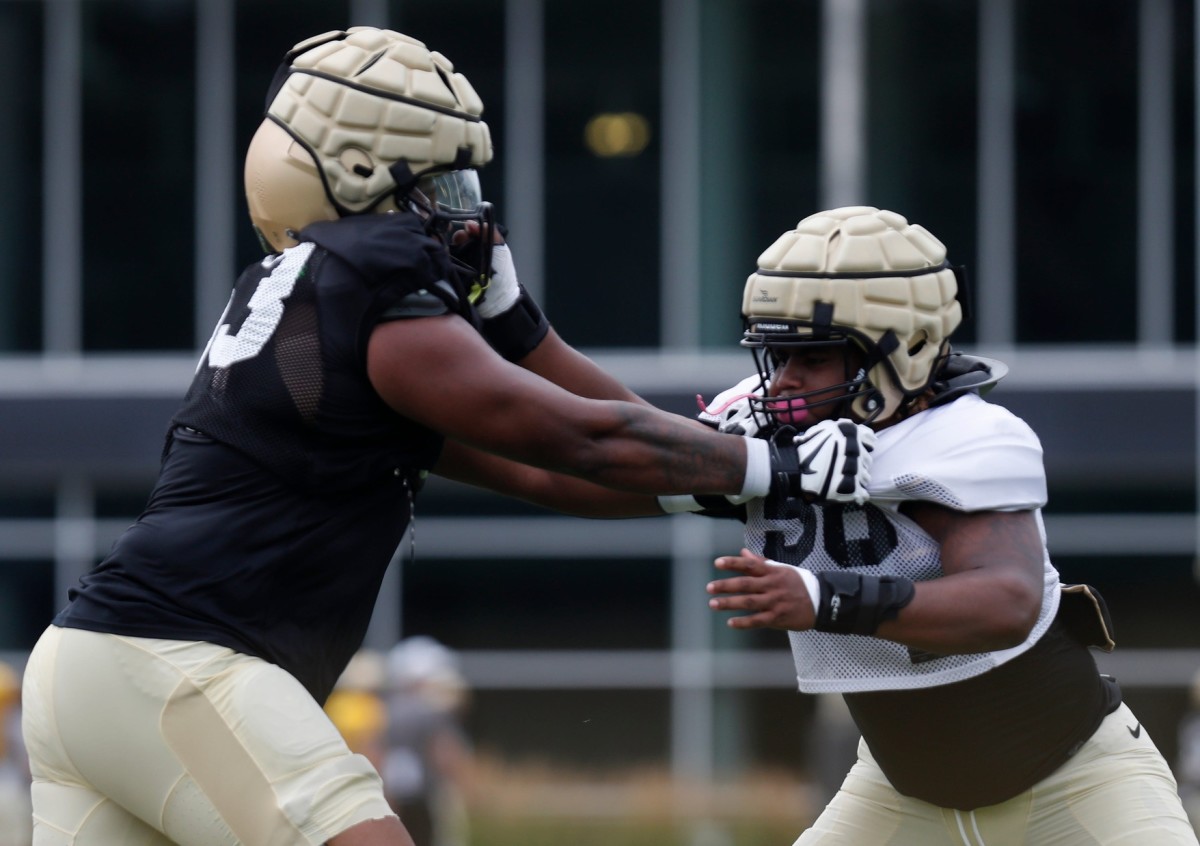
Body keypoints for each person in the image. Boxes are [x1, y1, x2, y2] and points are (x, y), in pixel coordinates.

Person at [19, 26, 845, 846]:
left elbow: (551, 475)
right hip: (177, 659)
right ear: (360, 178)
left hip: (88, 667)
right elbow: (585, 440)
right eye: (439, 185)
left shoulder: (308, 304)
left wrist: (716, 477)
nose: (463, 213)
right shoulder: (371, 285)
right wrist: (784, 465)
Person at [698, 206, 1200, 844]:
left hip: (1077, 784)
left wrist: (823, 598)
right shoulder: (763, 423)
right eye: (778, 355)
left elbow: (1005, 601)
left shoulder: (966, 435)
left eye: (813, 356)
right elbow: (602, 453)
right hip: (898, 793)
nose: (786, 383)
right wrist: (525, 331)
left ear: (899, 351)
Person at [380, 637, 473, 846]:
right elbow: (444, 753)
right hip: (427, 794)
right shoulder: (430, 712)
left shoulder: (385, 710)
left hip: (394, 793)